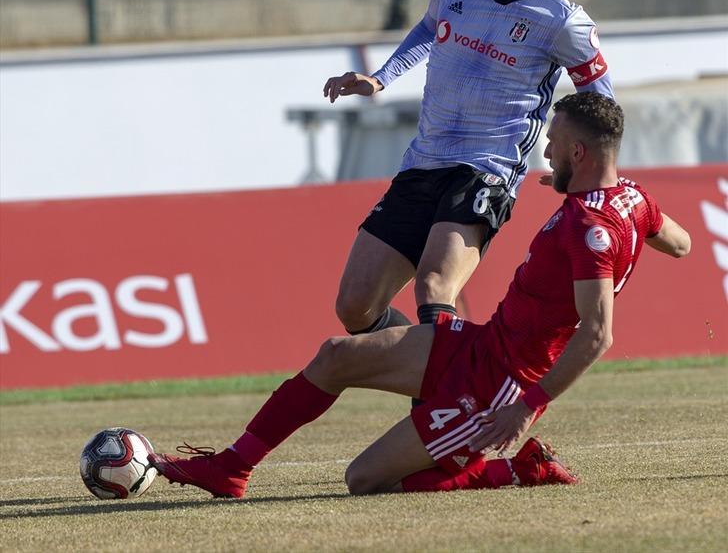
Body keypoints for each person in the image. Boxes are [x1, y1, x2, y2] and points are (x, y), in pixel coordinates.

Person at [147, 92, 691, 498]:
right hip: (483, 345)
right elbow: (682, 244)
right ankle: (233, 468)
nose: (545, 150)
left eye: (553, 142)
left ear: (579, 149)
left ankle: (512, 468)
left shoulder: (587, 228)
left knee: (364, 480)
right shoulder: (631, 200)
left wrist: (526, 407)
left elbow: (598, 333)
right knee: (336, 353)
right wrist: (587, 196)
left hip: (499, 388)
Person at [322, 0, 615, 345]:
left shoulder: (563, 21)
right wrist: (380, 78)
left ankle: (441, 406)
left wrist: (574, 166)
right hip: (424, 159)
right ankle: (442, 371)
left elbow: (602, 105)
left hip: (487, 170)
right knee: (355, 307)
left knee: (434, 287)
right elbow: (428, 26)